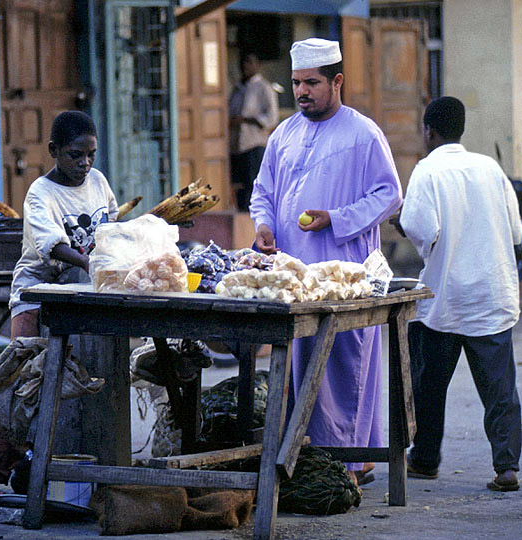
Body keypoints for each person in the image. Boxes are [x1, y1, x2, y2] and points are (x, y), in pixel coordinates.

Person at [249, 38, 402, 485]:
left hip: (343, 275)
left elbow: (389, 194)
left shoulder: (363, 133)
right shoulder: (284, 133)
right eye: (296, 82)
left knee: (343, 366)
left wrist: (336, 219)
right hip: (293, 277)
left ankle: (351, 464)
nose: (302, 91)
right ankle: (315, 460)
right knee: (301, 366)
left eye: (312, 83)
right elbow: (263, 191)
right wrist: (263, 225)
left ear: (336, 81)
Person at [0, 110, 118, 502]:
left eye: (91, 154)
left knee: (83, 383)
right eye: (75, 155)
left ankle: (35, 469)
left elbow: (110, 230)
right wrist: (92, 262)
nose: (85, 163)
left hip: (83, 293)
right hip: (37, 294)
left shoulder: (99, 183)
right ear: (53, 151)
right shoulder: (40, 193)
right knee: (24, 384)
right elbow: (51, 246)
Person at [398, 97, 522, 492]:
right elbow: (516, 229)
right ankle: (507, 468)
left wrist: (398, 224)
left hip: (445, 297)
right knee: (500, 389)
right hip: (490, 293)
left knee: (428, 385)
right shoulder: (490, 168)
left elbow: (421, 229)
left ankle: (425, 459)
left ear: (428, 131)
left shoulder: (427, 171)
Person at [229, 51, 279, 211]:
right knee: (239, 186)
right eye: (243, 62)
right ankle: (242, 216)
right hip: (237, 144)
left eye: (250, 62)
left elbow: (271, 118)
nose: (246, 66)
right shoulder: (238, 88)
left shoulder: (264, 88)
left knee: (254, 184)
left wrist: (246, 119)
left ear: (257, 65)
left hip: (255, 143)